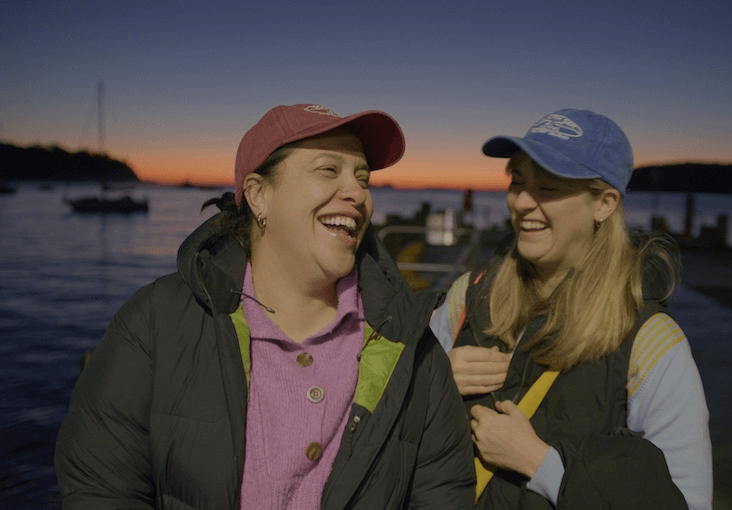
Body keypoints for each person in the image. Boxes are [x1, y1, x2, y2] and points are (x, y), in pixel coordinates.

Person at [55, 104, 476, 509]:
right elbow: (100, 487)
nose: (357, 193)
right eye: (329, 169)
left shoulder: (409, 342)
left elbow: (443, 493)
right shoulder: (156, 321)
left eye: (363, 178)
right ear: (259, 196)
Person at [430, 109, 712, 509]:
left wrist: (539, 464)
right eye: (517, 182)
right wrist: (432, 379)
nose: (522, 202)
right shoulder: (468, 296)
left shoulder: (651, 344)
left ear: (604, 204)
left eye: (547, 187)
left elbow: (686, 502)